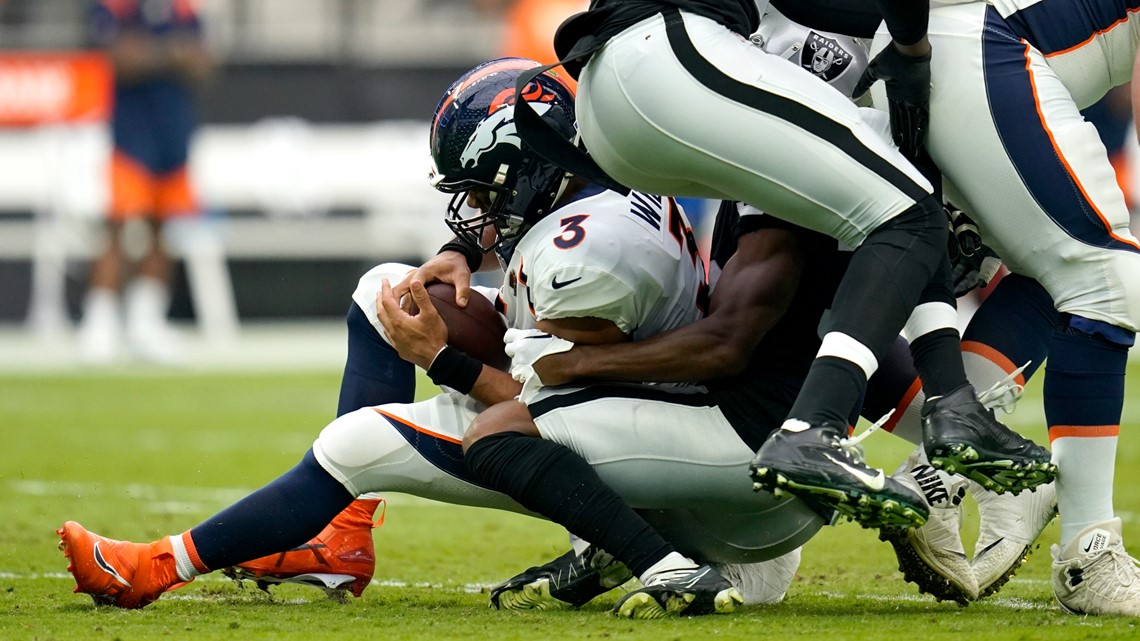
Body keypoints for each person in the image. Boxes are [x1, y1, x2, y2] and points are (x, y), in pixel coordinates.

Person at [57, 58, 823, 616]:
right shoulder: (605, 185)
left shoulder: (585, 260)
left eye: (481, 190)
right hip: (668, 423)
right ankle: (339, 539)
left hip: (701, 495)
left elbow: (536, 410)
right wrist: (463, 254)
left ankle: (159, 566)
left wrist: (441, 359)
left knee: (359, 443)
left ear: (526, 171)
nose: (472, 211)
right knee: (386, 290)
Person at [486, 0, 1054, 533]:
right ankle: (825, 428)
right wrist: (913, 40)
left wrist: (462, 251)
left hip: (618, 90)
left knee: (902, 191)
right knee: (906, 215)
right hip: (672, 57)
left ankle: (951, 406)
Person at [770, 0, 1140, 616]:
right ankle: (1088, 552)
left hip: (960, 51)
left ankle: (943, 469)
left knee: (1059, 273)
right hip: (967, 47)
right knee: (1105, 275)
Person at [77, 0, 212, 364]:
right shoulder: (116, 5)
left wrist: (158, 55)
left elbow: (203, 64)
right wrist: (173, 55)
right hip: (131, 137)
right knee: (118, 228)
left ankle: (145, 322)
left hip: (174, 133)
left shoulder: (183, 7)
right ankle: (100, 321)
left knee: (163, 231)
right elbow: (123, 61)